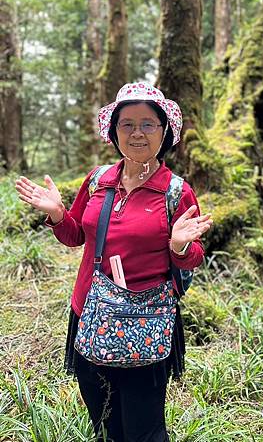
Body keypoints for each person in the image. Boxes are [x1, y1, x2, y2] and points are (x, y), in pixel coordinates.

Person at [15, 82, 213, 442]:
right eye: (127, 124)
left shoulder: (175, 191)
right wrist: (58, 214)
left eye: (148, 124)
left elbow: (192, 258)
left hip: (146, 320)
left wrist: (180, 246)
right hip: (90, 312)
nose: (137, 133)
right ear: (114, 131)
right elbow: (76, 235)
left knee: (143, 426)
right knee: (103, 416)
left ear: (165, 131)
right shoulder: (98, 180)